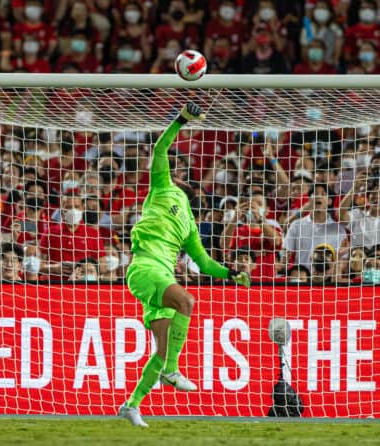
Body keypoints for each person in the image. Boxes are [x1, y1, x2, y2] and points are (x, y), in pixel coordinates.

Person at [119, 103, 250, 427]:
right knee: (187, 301)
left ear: (186, 193)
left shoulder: (182, 212)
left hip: (158, 275)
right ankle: (172, 371)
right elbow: (161, 147)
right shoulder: (163, 188)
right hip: (145, 268)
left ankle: (132, 405)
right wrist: (181, 120)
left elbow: (204, 263)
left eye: (181, 177)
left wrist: (231, 273)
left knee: (160, 350)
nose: (176, 175)